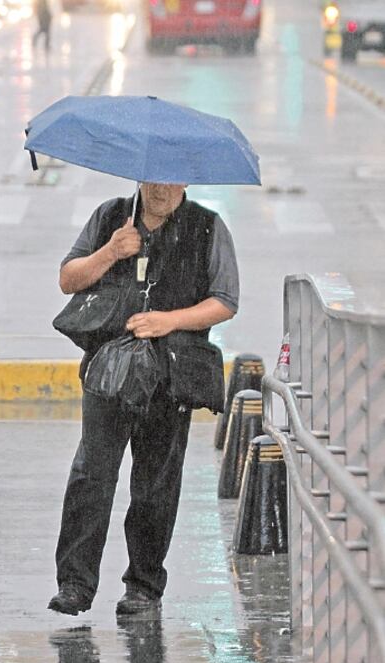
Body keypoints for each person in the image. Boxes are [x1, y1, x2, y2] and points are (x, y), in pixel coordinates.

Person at [47, 182, 239, 616]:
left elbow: (226, 301)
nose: (160, 188)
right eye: (152, 177)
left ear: (185, 182)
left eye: (170, 178)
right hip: (108, 371)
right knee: (91, 475)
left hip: (170, 376)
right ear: (138, 177)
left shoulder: (206, 227)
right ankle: (75, 584)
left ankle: (144, 585)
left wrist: (168, 320)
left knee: (156, 484)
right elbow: (67, 279)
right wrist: (111, 251)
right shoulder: (110, 216)